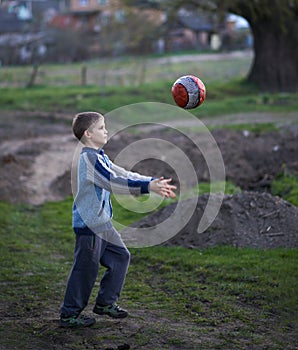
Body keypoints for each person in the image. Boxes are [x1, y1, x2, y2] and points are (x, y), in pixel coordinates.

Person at [60, 111, 176, 328]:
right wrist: (146, 187)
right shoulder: (89, 159)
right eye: (102, 128)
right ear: (88, 134)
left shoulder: (100, 156)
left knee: (121, 256)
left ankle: (105, 303)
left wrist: (150, 181)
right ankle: (69, 314)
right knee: (85, 269)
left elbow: (122, 173)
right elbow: (112, 182)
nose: (106, 131)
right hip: (90, 226)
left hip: (103, 224)